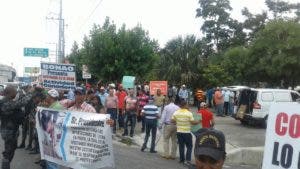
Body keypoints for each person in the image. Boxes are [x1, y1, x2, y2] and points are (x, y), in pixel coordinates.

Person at [0, 85, 38, 169]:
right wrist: (30, 93)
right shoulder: (5, 103)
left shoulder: (8, 100)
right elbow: (21, 103)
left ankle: (6, 164)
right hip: (8, 132)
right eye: (14, 91)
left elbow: (19, 102)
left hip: (12, 131)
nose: (16, 93)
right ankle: (5, 166)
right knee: (8, 152)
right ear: (9, 93)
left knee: (11, 149)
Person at [171, 99, 200, 166]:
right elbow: (193, 122)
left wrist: (178, 122)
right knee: (189, 146)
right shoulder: (189, 113)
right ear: (185, 105)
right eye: (187, 104)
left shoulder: (176, 112)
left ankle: (181, 160)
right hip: (186, 132)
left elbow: (172, 121)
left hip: (179, 132)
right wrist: (198, 121)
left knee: (181, 146)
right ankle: (188, 160)